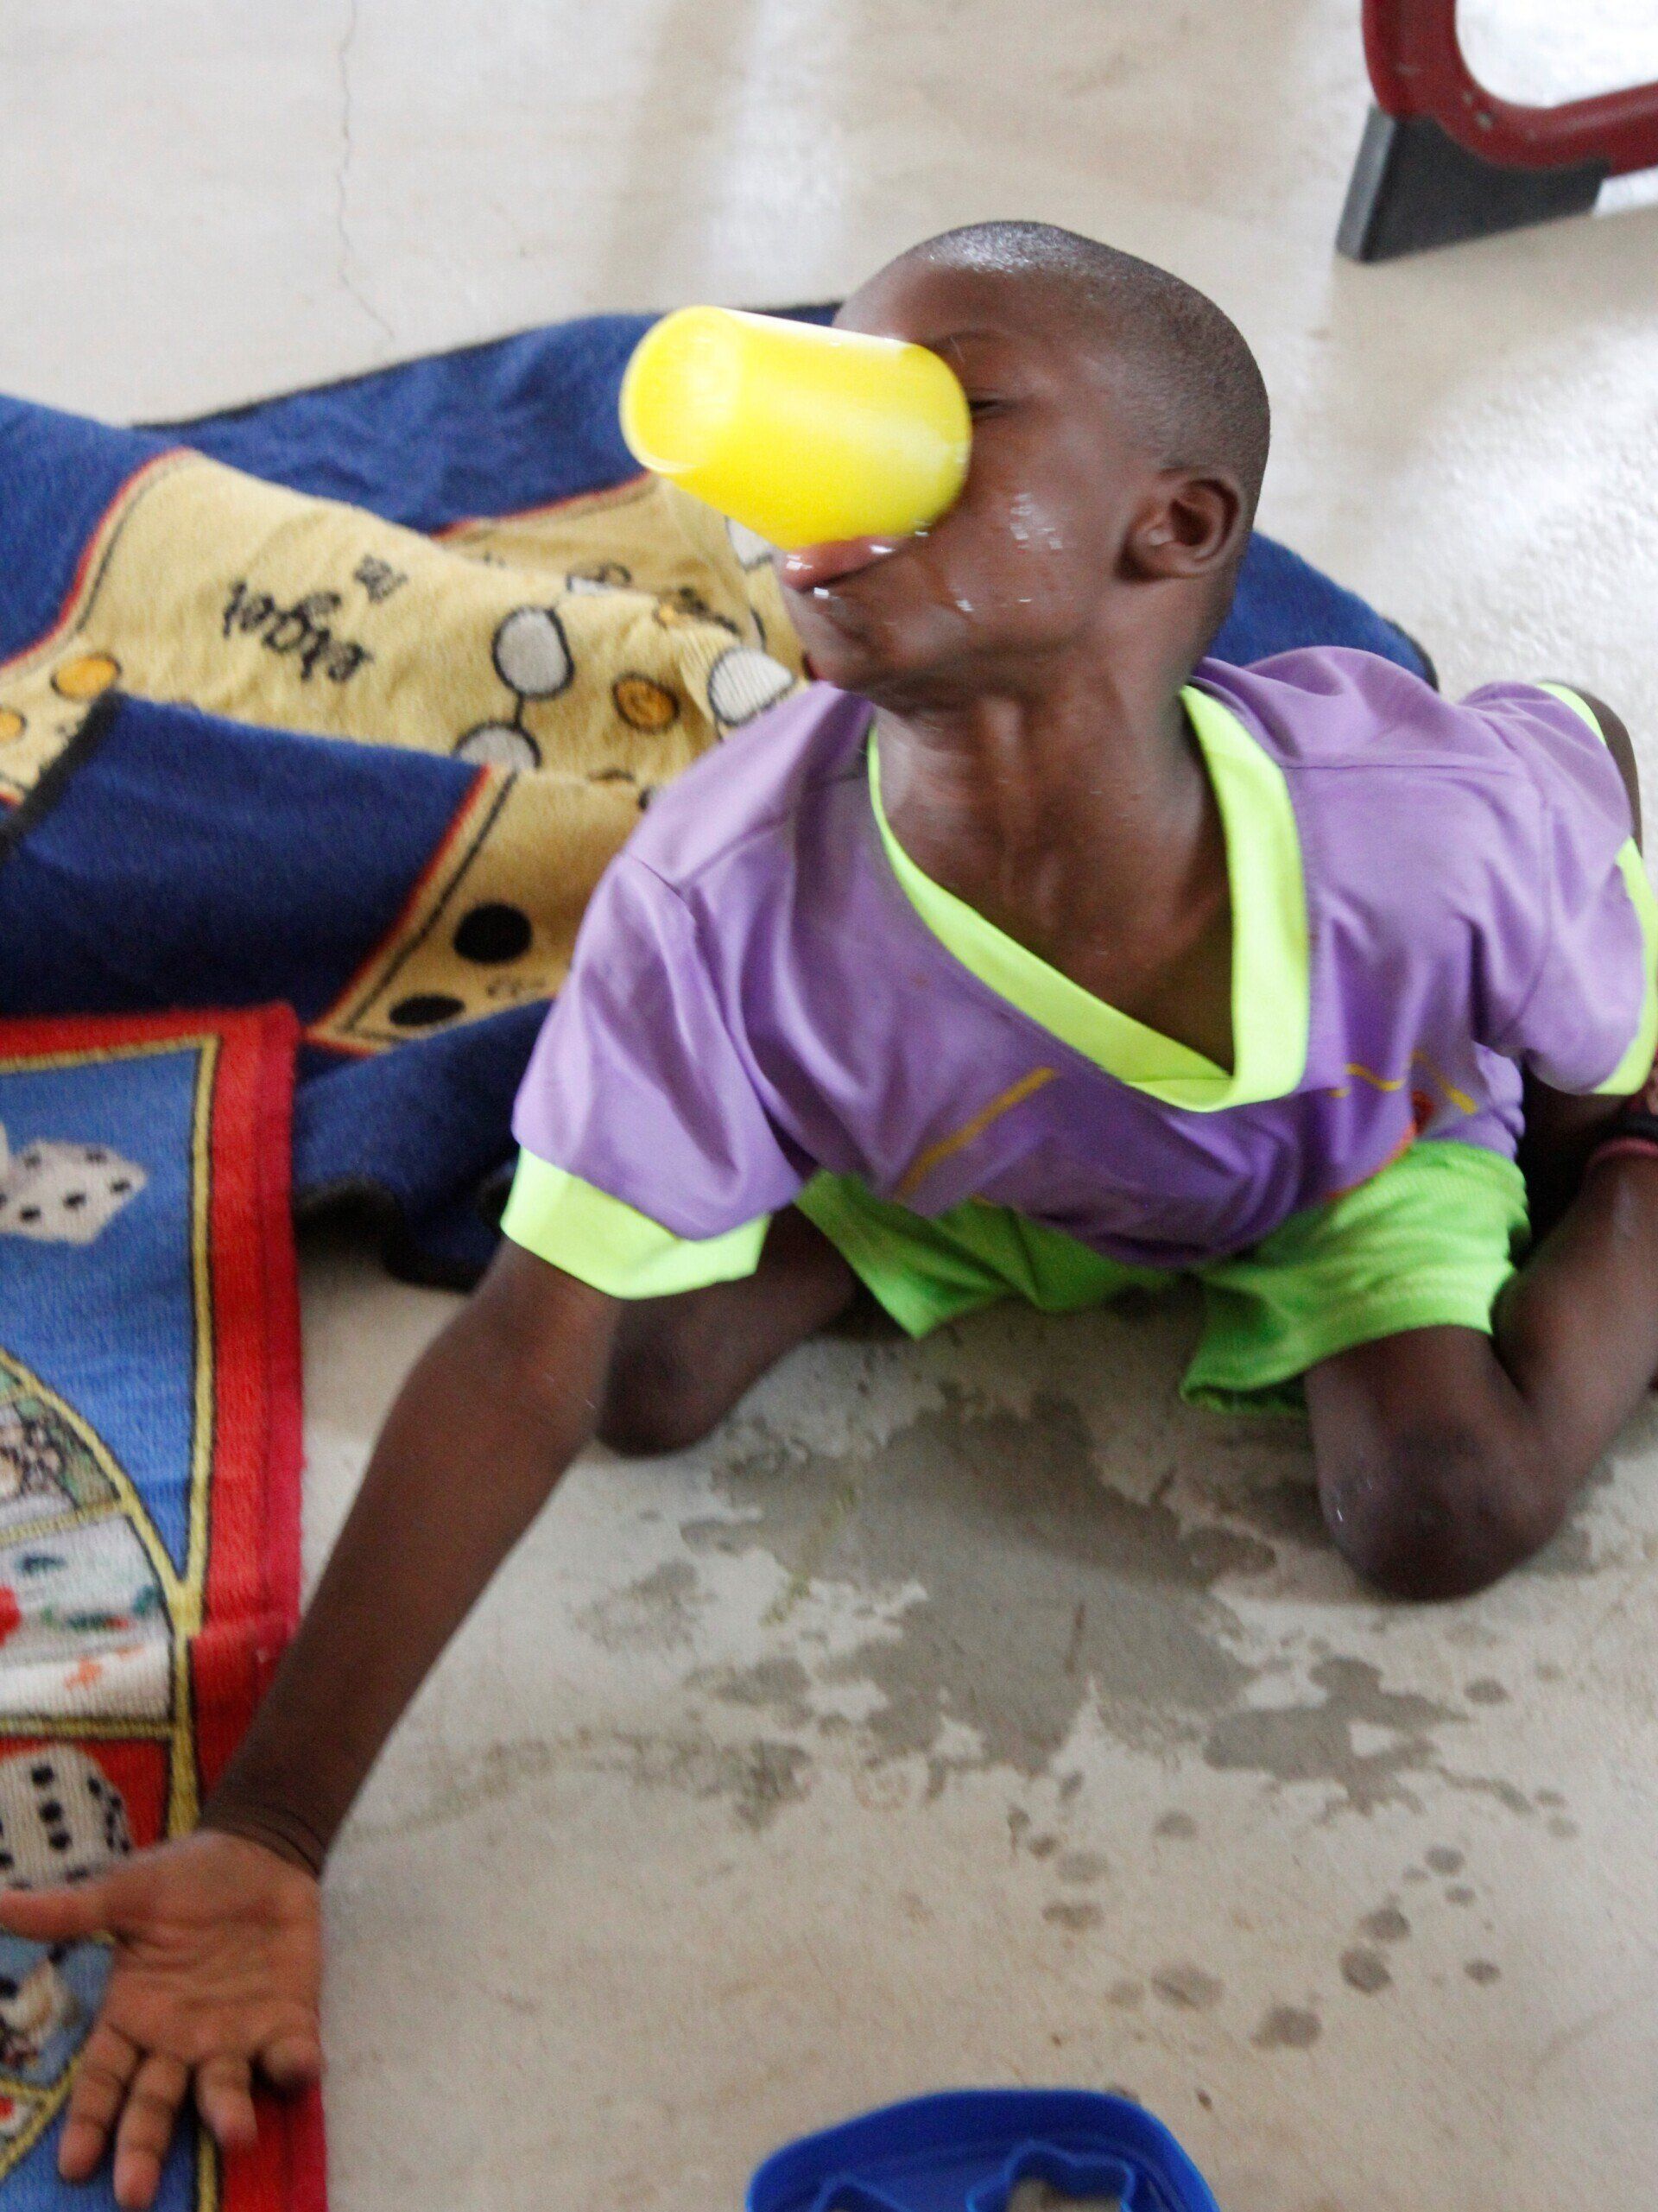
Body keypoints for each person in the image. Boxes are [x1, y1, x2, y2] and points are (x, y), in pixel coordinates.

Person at [8, 221, 1656, 2207]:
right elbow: (517, 1357)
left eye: (939, 414)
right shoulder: (721, 888)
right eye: (833, 389)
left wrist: (1604, 1156)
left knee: (1443, 1503)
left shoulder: (1426, 835)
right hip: (972, 1167)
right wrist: (269, 1831)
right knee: (630, 1370)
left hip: (1355, 1140)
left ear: (1172, 525)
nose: (822, 464)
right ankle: (830, 1188)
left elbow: (1599, 1042)